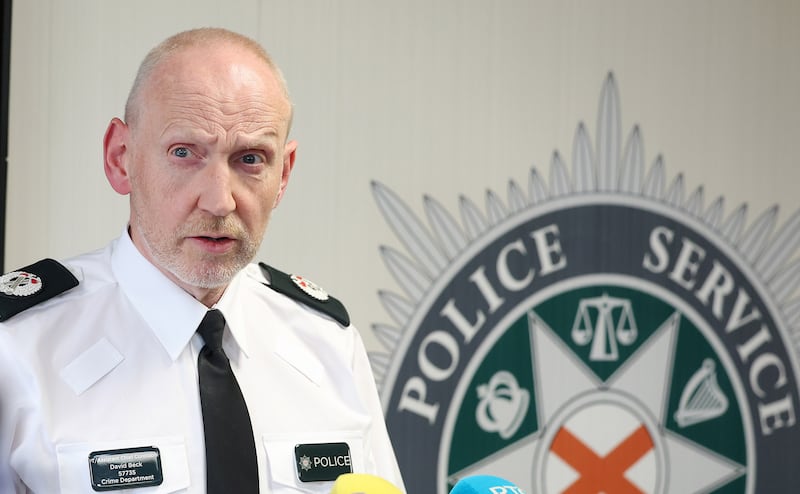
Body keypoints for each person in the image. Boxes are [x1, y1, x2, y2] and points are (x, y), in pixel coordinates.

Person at [0, 27, 405, 493]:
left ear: (284, 175)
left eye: (250, 158)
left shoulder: (328, 344)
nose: (219, 201)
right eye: (184, 153)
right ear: (120, 157)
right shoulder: (19, 349)